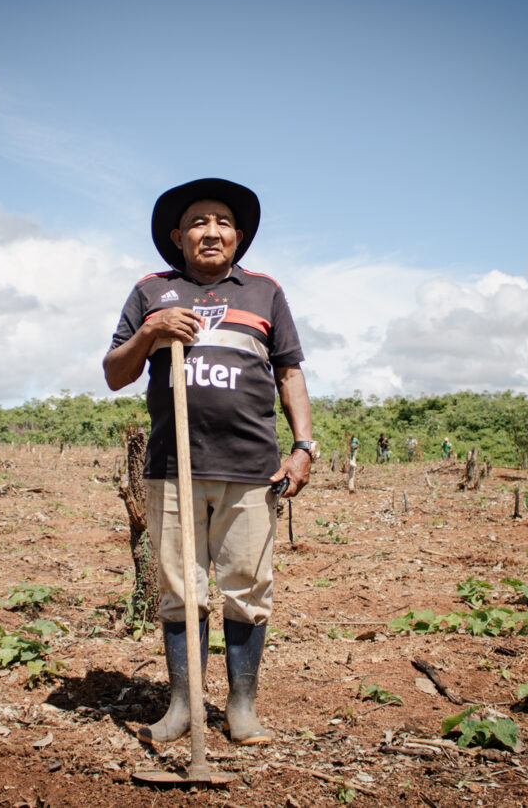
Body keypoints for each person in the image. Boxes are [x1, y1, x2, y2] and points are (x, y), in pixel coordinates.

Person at [103, 178, 314, 746]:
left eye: (222, 221)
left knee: (247, 587)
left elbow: (289, 371)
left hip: (251, 468)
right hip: (175, 468)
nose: (211, 231)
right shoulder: (152, 292)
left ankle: (241, 708)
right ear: (178, 237)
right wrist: (150, 332)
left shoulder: (265, 292)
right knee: (180, 589)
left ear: (238, 236)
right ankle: (182, 706)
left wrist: (303, 446)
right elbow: (114, 374)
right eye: (198, 222)